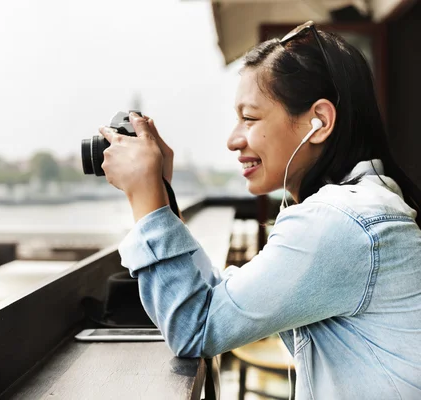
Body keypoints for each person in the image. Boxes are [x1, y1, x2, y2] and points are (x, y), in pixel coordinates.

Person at [97, 21, 421, 399]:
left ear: (319, 122)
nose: (233, 140)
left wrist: (145, 198)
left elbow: (195, 327)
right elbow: (224, 300)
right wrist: (162, 198)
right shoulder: (363, 205)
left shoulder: (337, 221)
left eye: (249, 118)